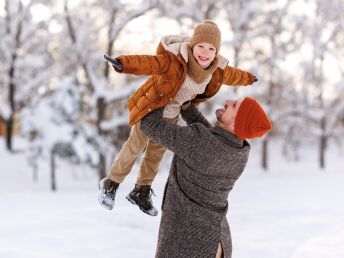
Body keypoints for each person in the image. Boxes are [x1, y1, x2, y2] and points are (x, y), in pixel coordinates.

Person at [98, 20, 258, 216]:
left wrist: (249, 78)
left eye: (211, 48)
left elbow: (233, 75)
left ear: (216, 52)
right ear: (192, 45)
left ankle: (141, 191)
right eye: (200, 46)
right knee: (135, 146)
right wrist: (123, 64)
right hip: (152, 108)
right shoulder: (175, 60)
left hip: (171, 115)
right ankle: (111, 183)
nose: (205, 52)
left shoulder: (216, 71)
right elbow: (149, 63)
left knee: (156, 154)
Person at [139, 96, 272, 258]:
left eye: (234, 105)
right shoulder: (240, 151)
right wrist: (187, 109)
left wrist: (157, 95)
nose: (228, 101)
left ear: (235, 124)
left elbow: (150, 125)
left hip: (190, 240)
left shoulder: (200, 143)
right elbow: (208, 141)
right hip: (217, 238)